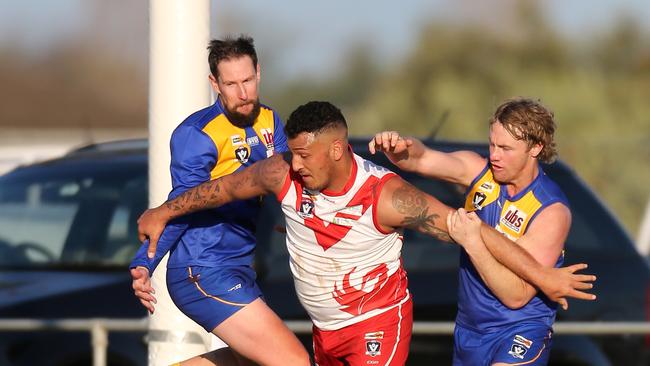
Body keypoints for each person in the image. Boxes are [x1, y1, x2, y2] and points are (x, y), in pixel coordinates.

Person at [135, 100, 596, 366]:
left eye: (505, 147)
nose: (295, 165)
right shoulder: (282, 173)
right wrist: (163, 212)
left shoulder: (389, 198)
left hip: (392, 325)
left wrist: (545, 276)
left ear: (336, 151)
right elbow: (225, 187)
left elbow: (467, 231)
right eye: (491, 142)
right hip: (354, 328)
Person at [129, 35, 310, 366]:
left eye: (247, 80)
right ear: (214, 83)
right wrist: (145, 262)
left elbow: (287, 185)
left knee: (251, 361)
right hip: (202, 269)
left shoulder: (270, 120)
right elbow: (181, 204)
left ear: (259, 72)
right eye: (230, 84)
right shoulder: (197, 134)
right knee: (293, 361)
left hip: (239, 265)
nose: (242, 93)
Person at [368, 97, 586, 365]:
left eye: (505, 148)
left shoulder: (551, 211)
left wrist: (473, 242)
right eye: (492, 144)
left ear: (536, 148)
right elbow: (422, 159)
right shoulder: (478, 171)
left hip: (520, 329)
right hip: (470, 330)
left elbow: (516, 295)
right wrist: (399, 148)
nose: (494, 155)